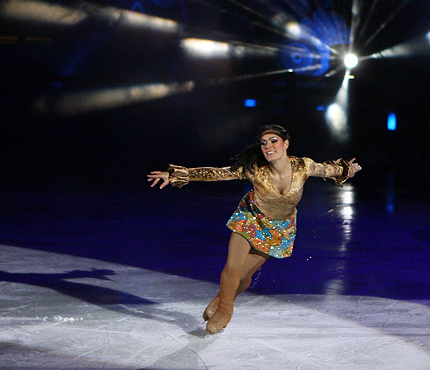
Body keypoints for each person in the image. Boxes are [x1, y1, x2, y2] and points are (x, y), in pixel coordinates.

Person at [147, 124, 361, 334]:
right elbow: (216, 173)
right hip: (250, 217)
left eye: (273, 141)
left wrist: (347, 169)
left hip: (279, 228)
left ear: (286, 144)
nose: (268, 146)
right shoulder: (255, 170)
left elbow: (329, 169)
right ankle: (225, 309)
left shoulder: (303, 166)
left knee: (242, 276)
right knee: (232, 266)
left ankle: (224, 297)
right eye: (264, 143)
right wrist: (176, 174)